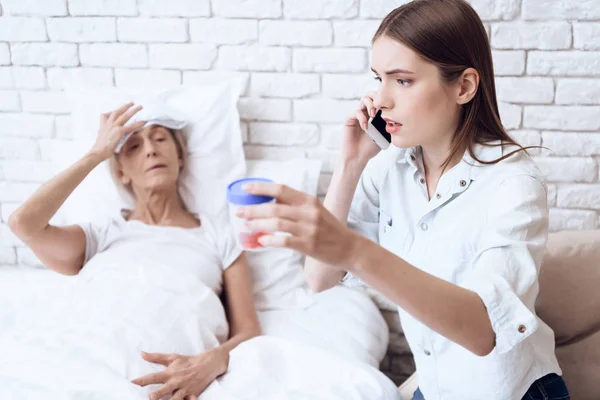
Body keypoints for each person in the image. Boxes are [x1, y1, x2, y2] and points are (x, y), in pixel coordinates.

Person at [235, 0, 570, 399]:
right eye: (378, 78)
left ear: (463, 86)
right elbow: (319, 278)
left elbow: (483, 332)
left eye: (403, 80)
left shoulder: (513, 183)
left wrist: (354, 250)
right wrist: (350, 164)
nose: (382, 99)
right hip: (435, 387)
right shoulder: (387, 169)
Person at [8, 103, 260, 400]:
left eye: (160, 138)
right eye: (133, 147)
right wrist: (97, 153)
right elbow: (23, 224)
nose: (151, 150)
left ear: (180, 157)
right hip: (76, 364)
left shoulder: (219, 236)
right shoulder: (103, 233)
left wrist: (212, 361)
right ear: (122, 173)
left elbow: (249, 332)